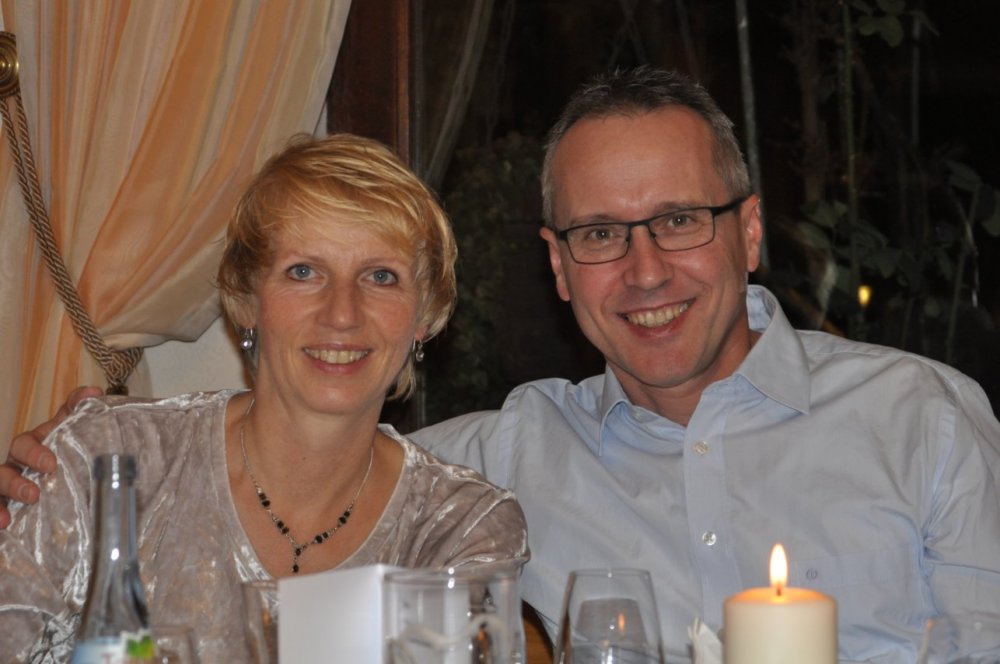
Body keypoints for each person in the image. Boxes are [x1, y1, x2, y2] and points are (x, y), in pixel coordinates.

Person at [6, 67, 1000, 663]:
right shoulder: (508, 460)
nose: (645, 269)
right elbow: (325, 435)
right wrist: (83, 458)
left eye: (678, 221)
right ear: (559, 267)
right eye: (600, 233)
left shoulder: (922, 421)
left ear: (747, 232)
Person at [0, 133, 528, 661]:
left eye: (381, 276)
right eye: (304, 271)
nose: (342, 313)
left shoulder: (458, 528)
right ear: (246, 299)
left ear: (424, 315)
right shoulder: (113, 461)